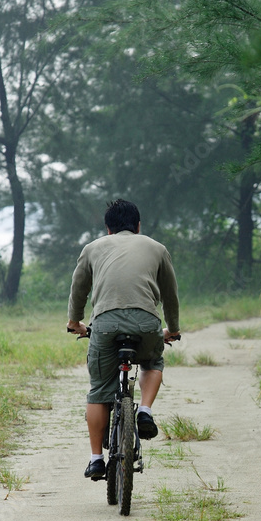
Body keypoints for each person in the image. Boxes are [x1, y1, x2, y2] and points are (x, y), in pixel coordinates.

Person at [66, 199, 181, 481]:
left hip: (104, 325)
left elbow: (79, 289)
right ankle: (144, 410)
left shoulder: (92, 249)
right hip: (146, 323)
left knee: (98, 390)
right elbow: (170, 295)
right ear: (138, 226)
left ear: (108, 229)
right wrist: (173, 329)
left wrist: (74, 322)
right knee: (153, 361)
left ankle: (96, 459)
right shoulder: (157, 248)